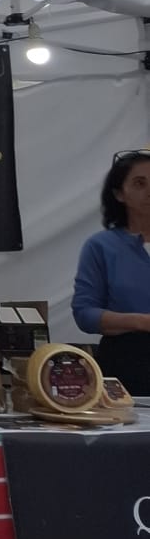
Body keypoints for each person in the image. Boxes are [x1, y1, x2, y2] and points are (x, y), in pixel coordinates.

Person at [72, 149, 150, 393]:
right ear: (119, 194)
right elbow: (85, 313)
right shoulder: (101, 246)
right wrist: (141, 322)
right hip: (128, 365)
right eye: (140, 183)